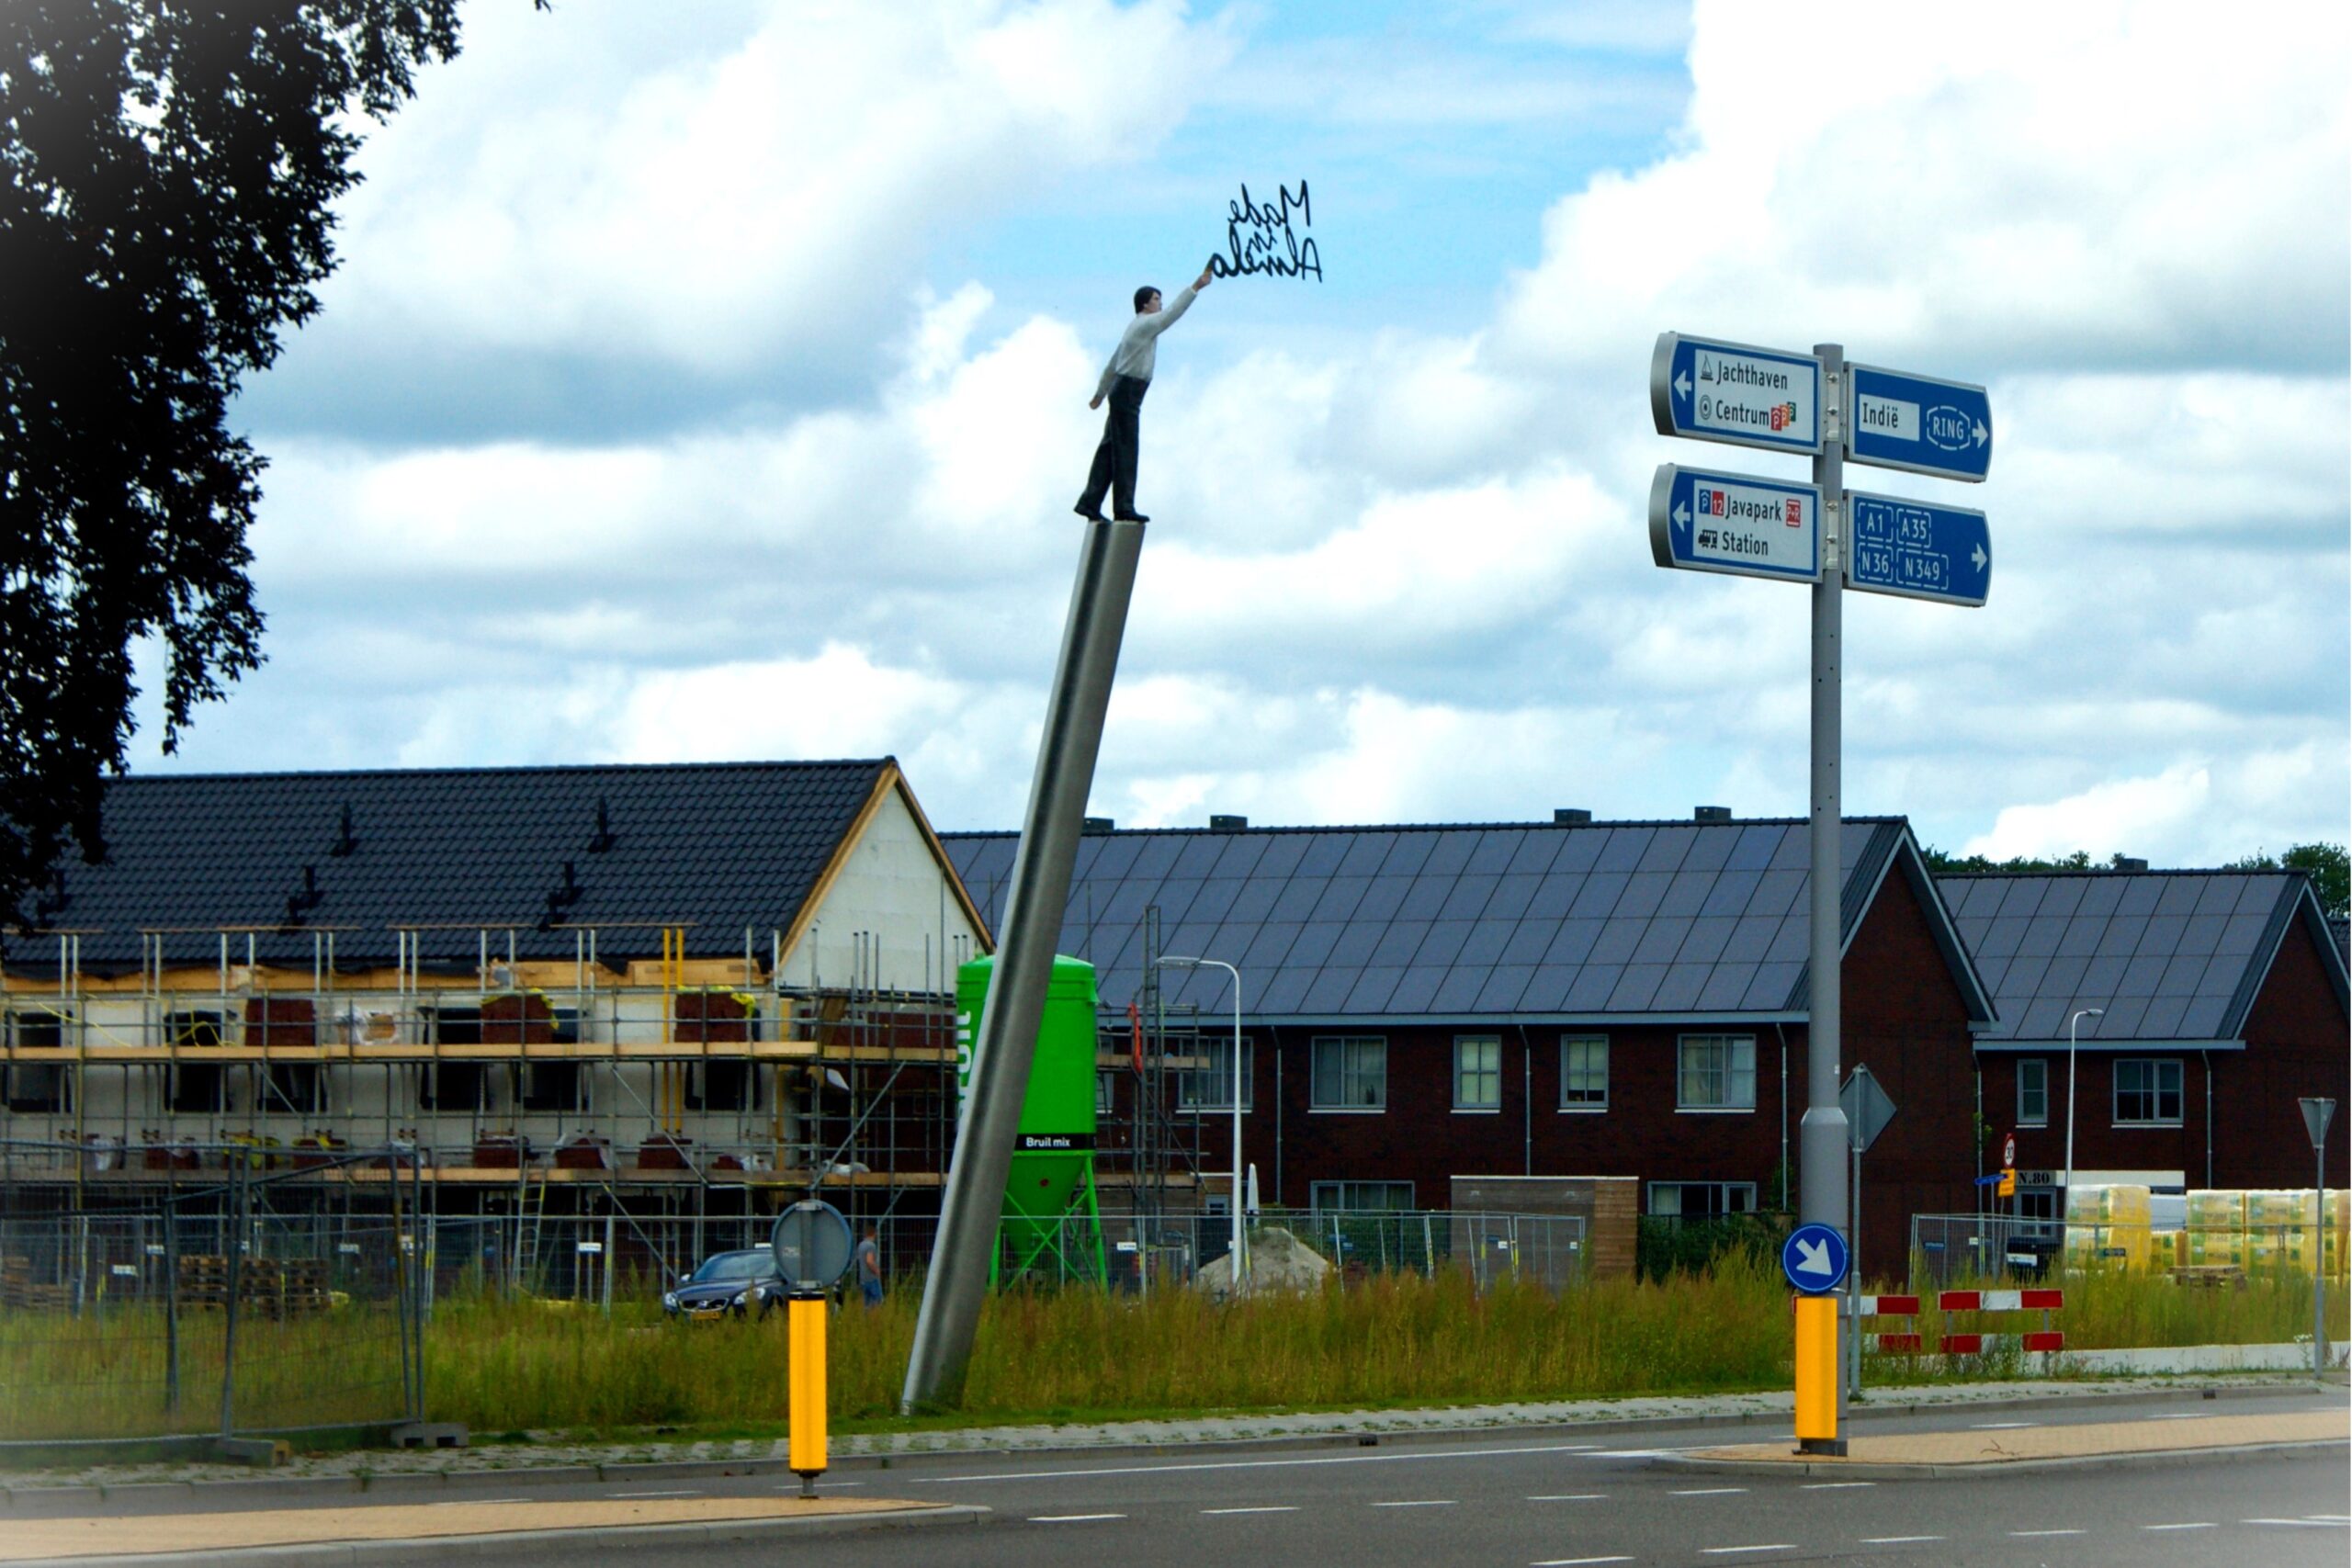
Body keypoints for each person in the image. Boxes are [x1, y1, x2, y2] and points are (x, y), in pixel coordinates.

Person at [1075, 258, 1216, 525]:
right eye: (1155, 299)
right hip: (1129, 392)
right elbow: (1172, 314)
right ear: (1144, 305)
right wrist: (1196, 286)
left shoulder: (1135, 328)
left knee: (1110, 448)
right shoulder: (1144, 324)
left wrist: (1100, 394)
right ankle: (1123, 507)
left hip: (1123, 390)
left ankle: (1090, 501)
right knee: (1126, 449)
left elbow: (1112, 364)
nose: (1159, 303)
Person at [854, 1224, 882, 1307]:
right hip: (871, 1278)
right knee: (877, 1300)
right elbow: (869, 1261)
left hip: (863, 1278)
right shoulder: (871, 1246)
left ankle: (866, 1319)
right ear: (874, 1234)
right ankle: (875, 1318)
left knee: (866, 1304)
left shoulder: (861, 1245)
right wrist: (876, 1270)